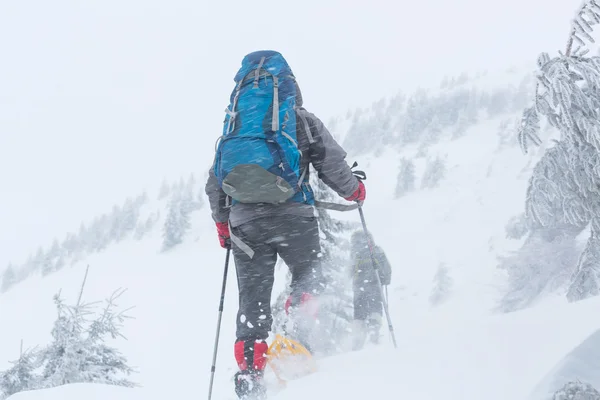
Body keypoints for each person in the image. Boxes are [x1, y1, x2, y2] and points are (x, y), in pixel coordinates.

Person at [205, 50, 366, 399]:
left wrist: (222, 226)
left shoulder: (234, 127)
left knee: (252, 301)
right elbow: (332, 165)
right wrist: (355, 191)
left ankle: (249, 373)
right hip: (294, 217)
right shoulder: (301, 120)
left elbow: (215, 182)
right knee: (309, 275)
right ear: (289, 84)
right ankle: (296, 338)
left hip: (245, 225)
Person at [349, 230, 391, 350]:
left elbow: (350, 270)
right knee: (375, 307)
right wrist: (386, 279)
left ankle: (357, 339)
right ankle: (374, 332)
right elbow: (387, 268)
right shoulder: (376, 250)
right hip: (374, 284)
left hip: (358, 288)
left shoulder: (354, 253)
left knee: (359, 314)